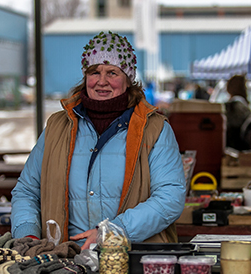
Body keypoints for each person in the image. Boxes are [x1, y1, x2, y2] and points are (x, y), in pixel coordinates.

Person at [11, 31, 186, 251]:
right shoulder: (57, 126)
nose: (102, 81)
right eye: (94, 72)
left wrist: (113, 232)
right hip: (64, 262)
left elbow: (170, 198)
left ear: (128, 78)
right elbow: (27, 190)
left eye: (112, 72)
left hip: (133, 260)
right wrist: (27, 234)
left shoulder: (154, 129)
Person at [224, 74, 251, 150]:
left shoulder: (233, 103)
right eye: (245, 86)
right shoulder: (238, 104)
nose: (246, 89)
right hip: (239, 146)